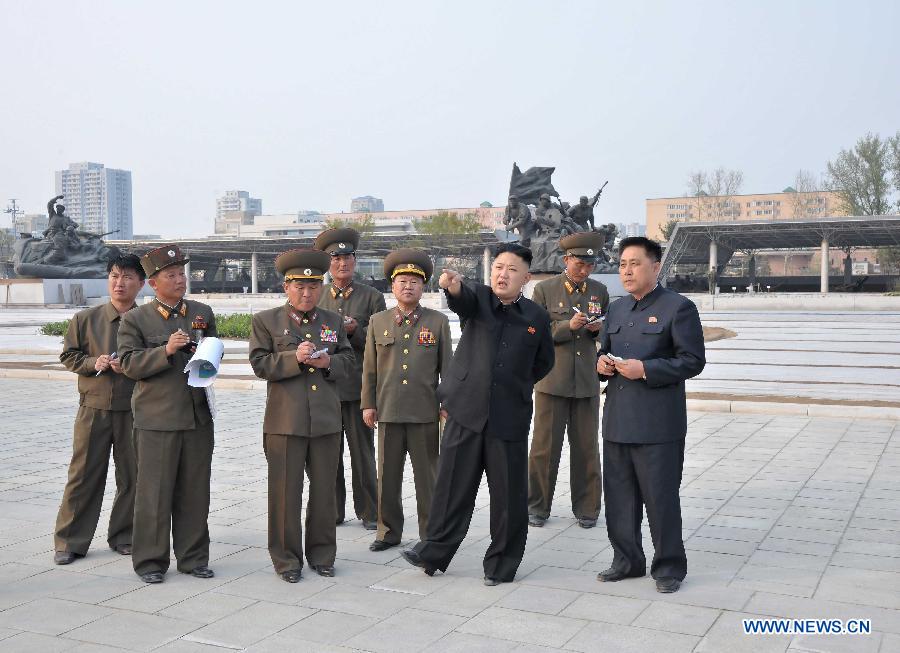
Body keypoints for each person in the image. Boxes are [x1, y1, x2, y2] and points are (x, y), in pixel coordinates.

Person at [401, 242, 554, 586]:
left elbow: (544, 362)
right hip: (465, 411)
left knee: (508, 498)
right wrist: (452, 286)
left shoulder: (536, 317)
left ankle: (501, 565)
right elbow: (462, 298)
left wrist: (514, 384)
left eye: (512, 269)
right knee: (451, 487)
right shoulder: (480, 299)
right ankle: (433, 552)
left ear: (526, 277)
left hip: (508, 418)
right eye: (498, 267)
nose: (503, 274)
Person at [595, 236, 705, 593]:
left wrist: (645, 369)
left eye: (634, 263)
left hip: (658, 426)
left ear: (655, 267)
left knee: (661, 499)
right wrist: (602, 365)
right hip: (617, 421)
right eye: (622, 264)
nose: (626, 271)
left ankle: (669, 567)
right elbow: (605, 351)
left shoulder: (679, 308)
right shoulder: (616, 308)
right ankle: (627, 561)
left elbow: (692, 361)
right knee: (619, 500)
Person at [249, 249, 354, 582]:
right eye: (299, 286)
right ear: (286, 287)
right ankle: (286, 560)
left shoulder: (333, 321)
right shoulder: (266, 321)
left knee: (324, 493)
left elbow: (350, 363)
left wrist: (329, 364)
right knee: (284, 494)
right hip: (285, 422)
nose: (307, 293)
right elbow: (260, 364)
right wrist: (294, 358)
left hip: (325, 421)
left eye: (313, 286)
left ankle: (323, 555)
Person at [117, 245, 217, 584]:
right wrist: (166, 350)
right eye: (171, 275)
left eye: (181, 274)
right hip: (157, 420)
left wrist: (205, 357)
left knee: (195, 491)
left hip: (197, 417)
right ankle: (150, 562)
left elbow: (212, 352)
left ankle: (193, 558)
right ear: (152, 284)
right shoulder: (136, 319)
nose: (179, 280)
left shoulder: (201, 311)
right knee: (154, 493)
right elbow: (129, 364)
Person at [53, 254, 145, 565]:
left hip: (134, 410)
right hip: (93, 408)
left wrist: (131, 365)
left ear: (141, 284)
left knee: (133, 476)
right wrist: (96, 362)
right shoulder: (85, 319)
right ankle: (69, 541)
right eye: (115, 276)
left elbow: (159, 361)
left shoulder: (147, 321)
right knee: (83, 475)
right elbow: (69, 356)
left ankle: (125, 535)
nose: (120, 283)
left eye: (128, 277)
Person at [361, 249, 451, 552]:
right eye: (402, 280)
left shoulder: (438, 322)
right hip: (387, 410)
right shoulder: (378, 321)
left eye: (414, 281)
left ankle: (430, 533)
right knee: (387, 476)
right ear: (392, 285)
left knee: (428, 478)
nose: (407, 286)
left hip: (424, 411)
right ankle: (387, 532)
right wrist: (368, 404)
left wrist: (447, 404)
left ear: (423, 286)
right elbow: (370, 368)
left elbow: (447, 369)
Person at [528, 233, 609, 529]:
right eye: (579, 264)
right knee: (544, 448)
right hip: (552, 381)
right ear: (566, 261)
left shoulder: (599, 291)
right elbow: (535, 332)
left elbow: (608, 333)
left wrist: (599, 330)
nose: (585, 270)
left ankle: (588, 509)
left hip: (586, 382)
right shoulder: (545, 290)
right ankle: (537, 506)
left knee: (587, 448)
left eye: (590, 264)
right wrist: (566, 326)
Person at [314, 227, 386, 530]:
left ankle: (370, 511)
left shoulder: (372, 297)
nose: (342, 263)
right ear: (328, 263)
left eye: (348, 257)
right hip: (327, 387)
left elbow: (383, 340)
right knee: (329, 455)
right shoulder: (316, 297)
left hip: (357, 387)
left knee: (362, 454)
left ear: (355, 261)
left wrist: (357, 329)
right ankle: (333, 511)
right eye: (336, 258)